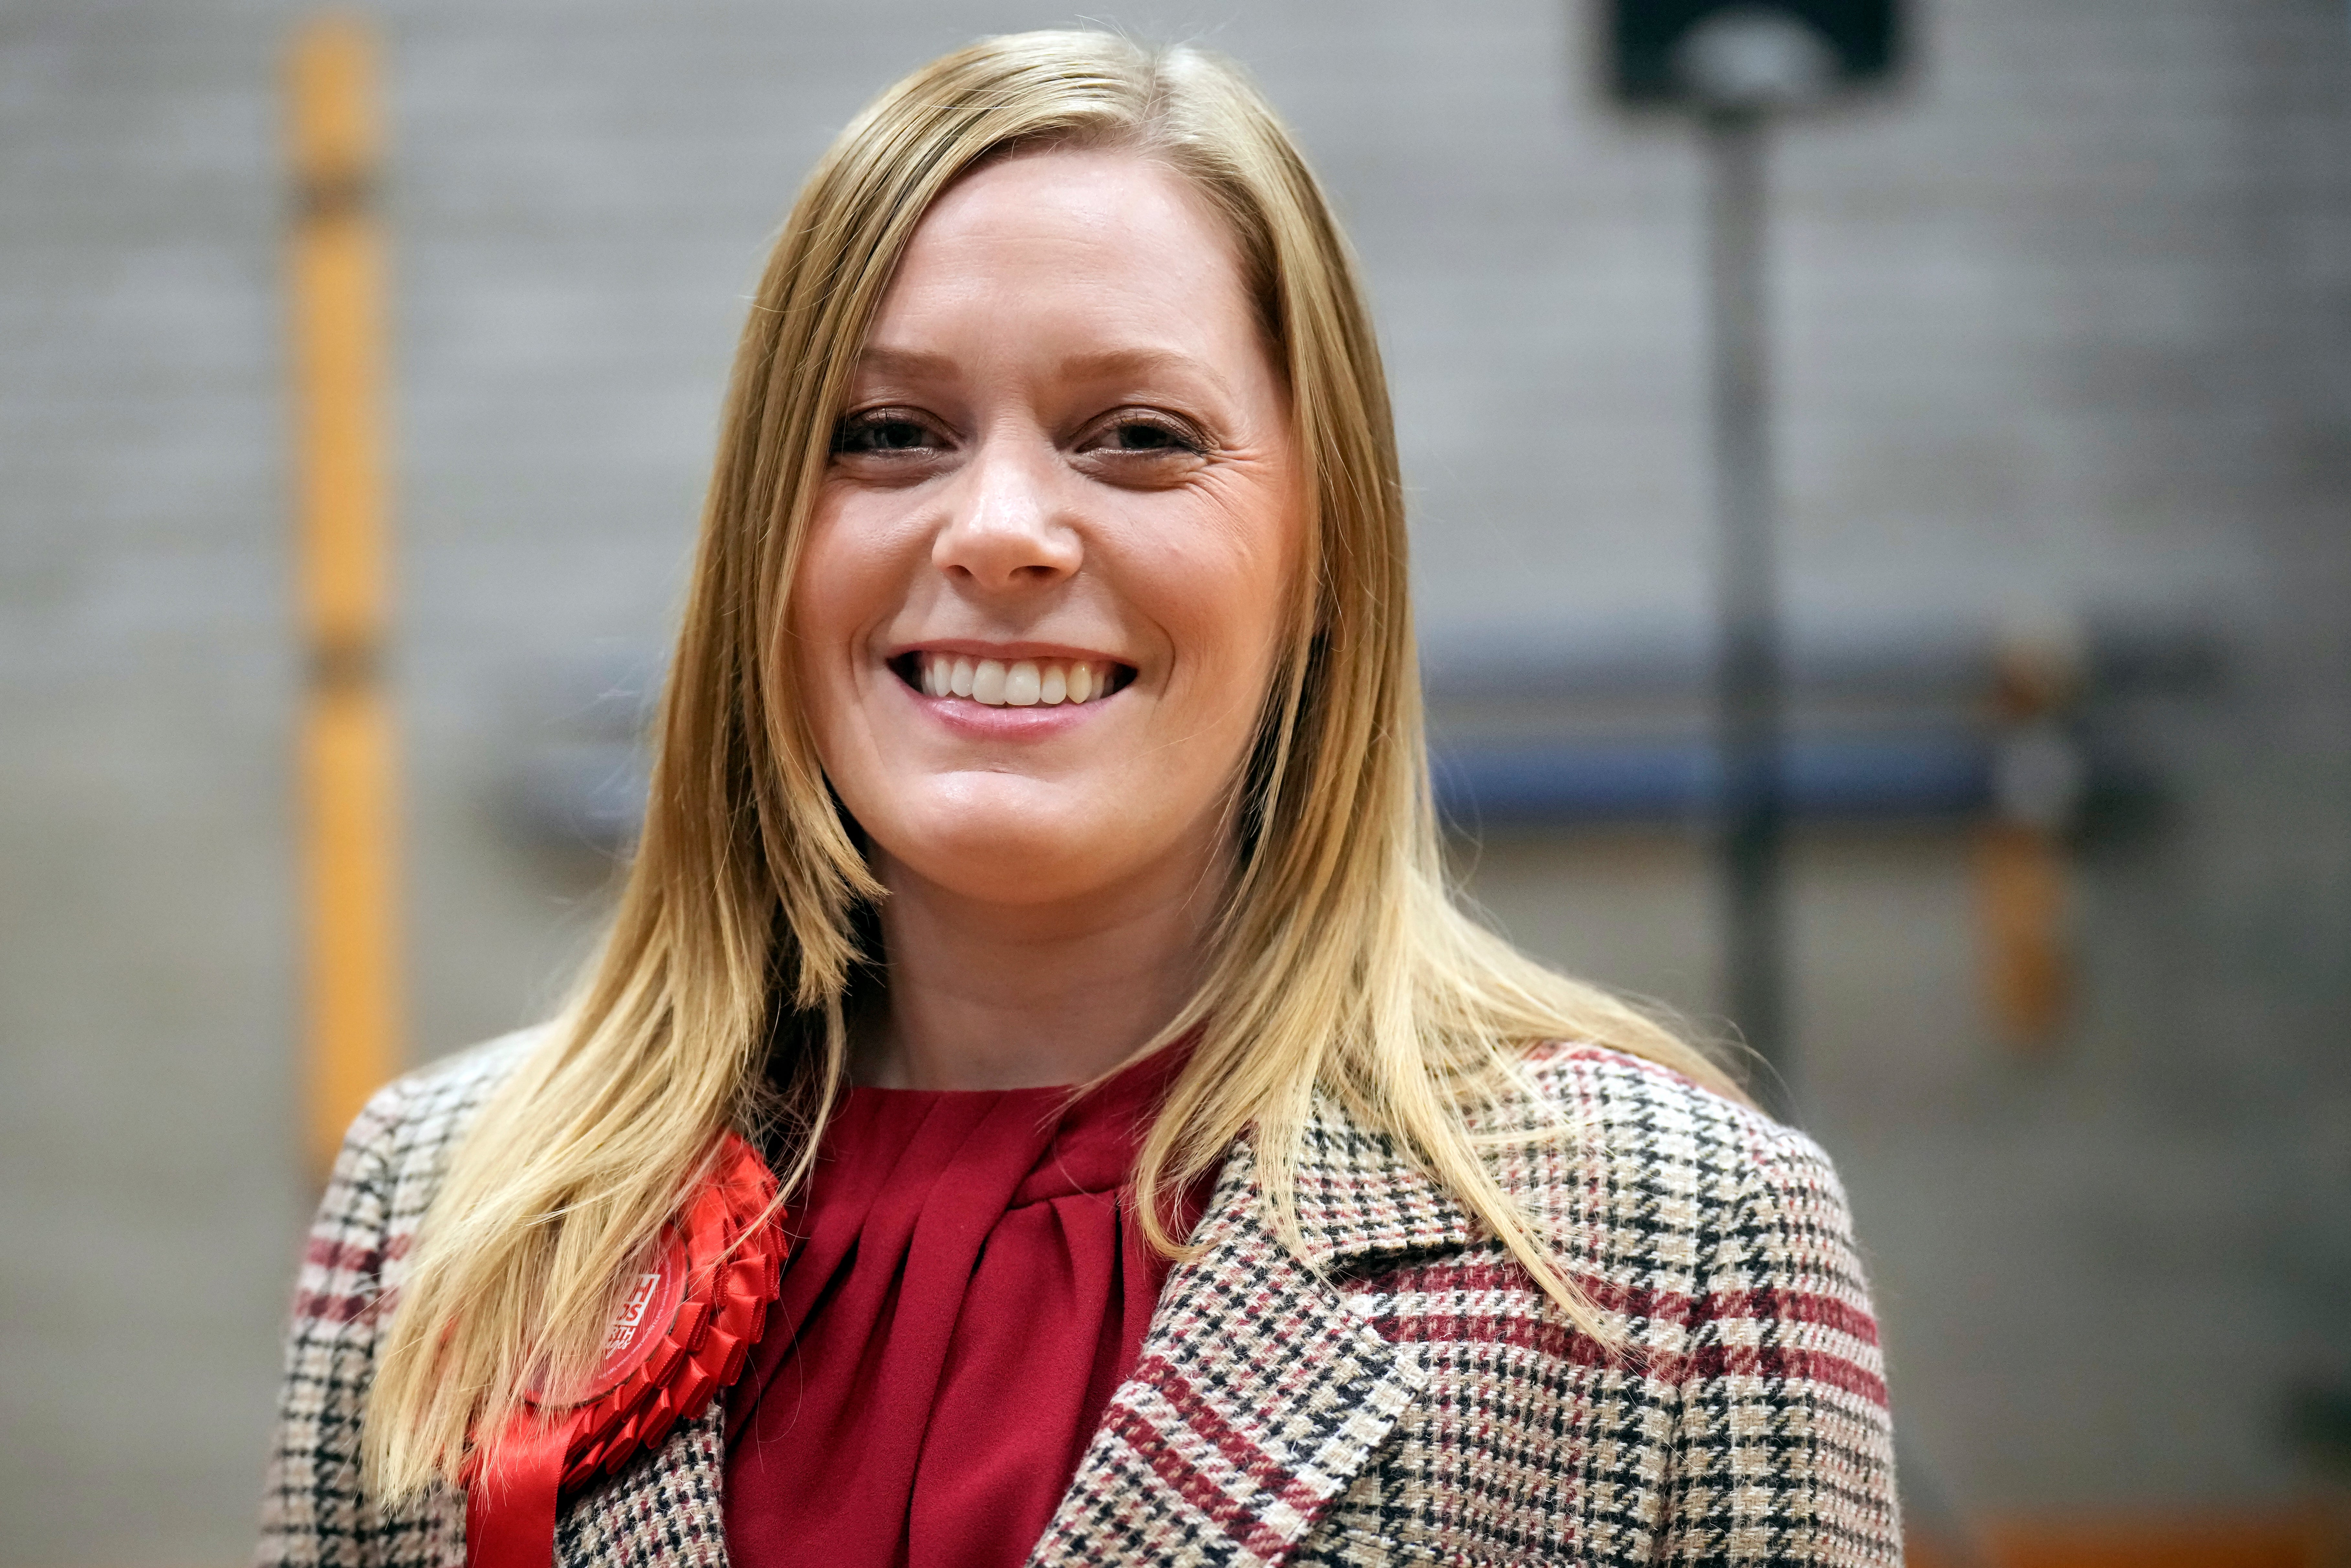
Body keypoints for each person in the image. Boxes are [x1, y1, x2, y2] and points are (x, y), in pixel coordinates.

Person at [259, 29, 1899, 1568]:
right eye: (890, 431)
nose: (1001, 530)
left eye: (1135, 437)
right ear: (768, 533)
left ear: (1326, 550)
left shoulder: (1676, 1252)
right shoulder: (436, 1210)